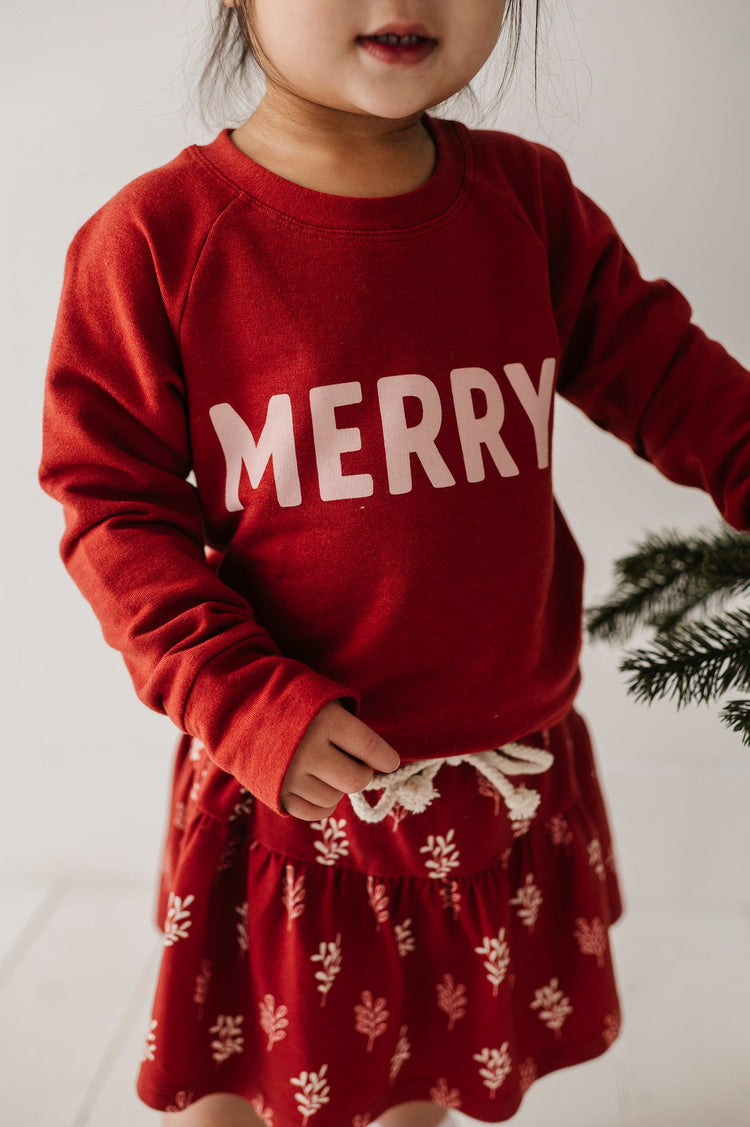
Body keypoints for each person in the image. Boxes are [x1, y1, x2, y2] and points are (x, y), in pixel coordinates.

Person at [39, 1, 750, 1124]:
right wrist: (243, 698)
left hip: (497, 775)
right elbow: (111, 513)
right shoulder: (159, 240)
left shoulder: (528, 205)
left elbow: (671, 377)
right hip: (296, 792)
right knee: (238, 1096)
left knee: (421, 1079)